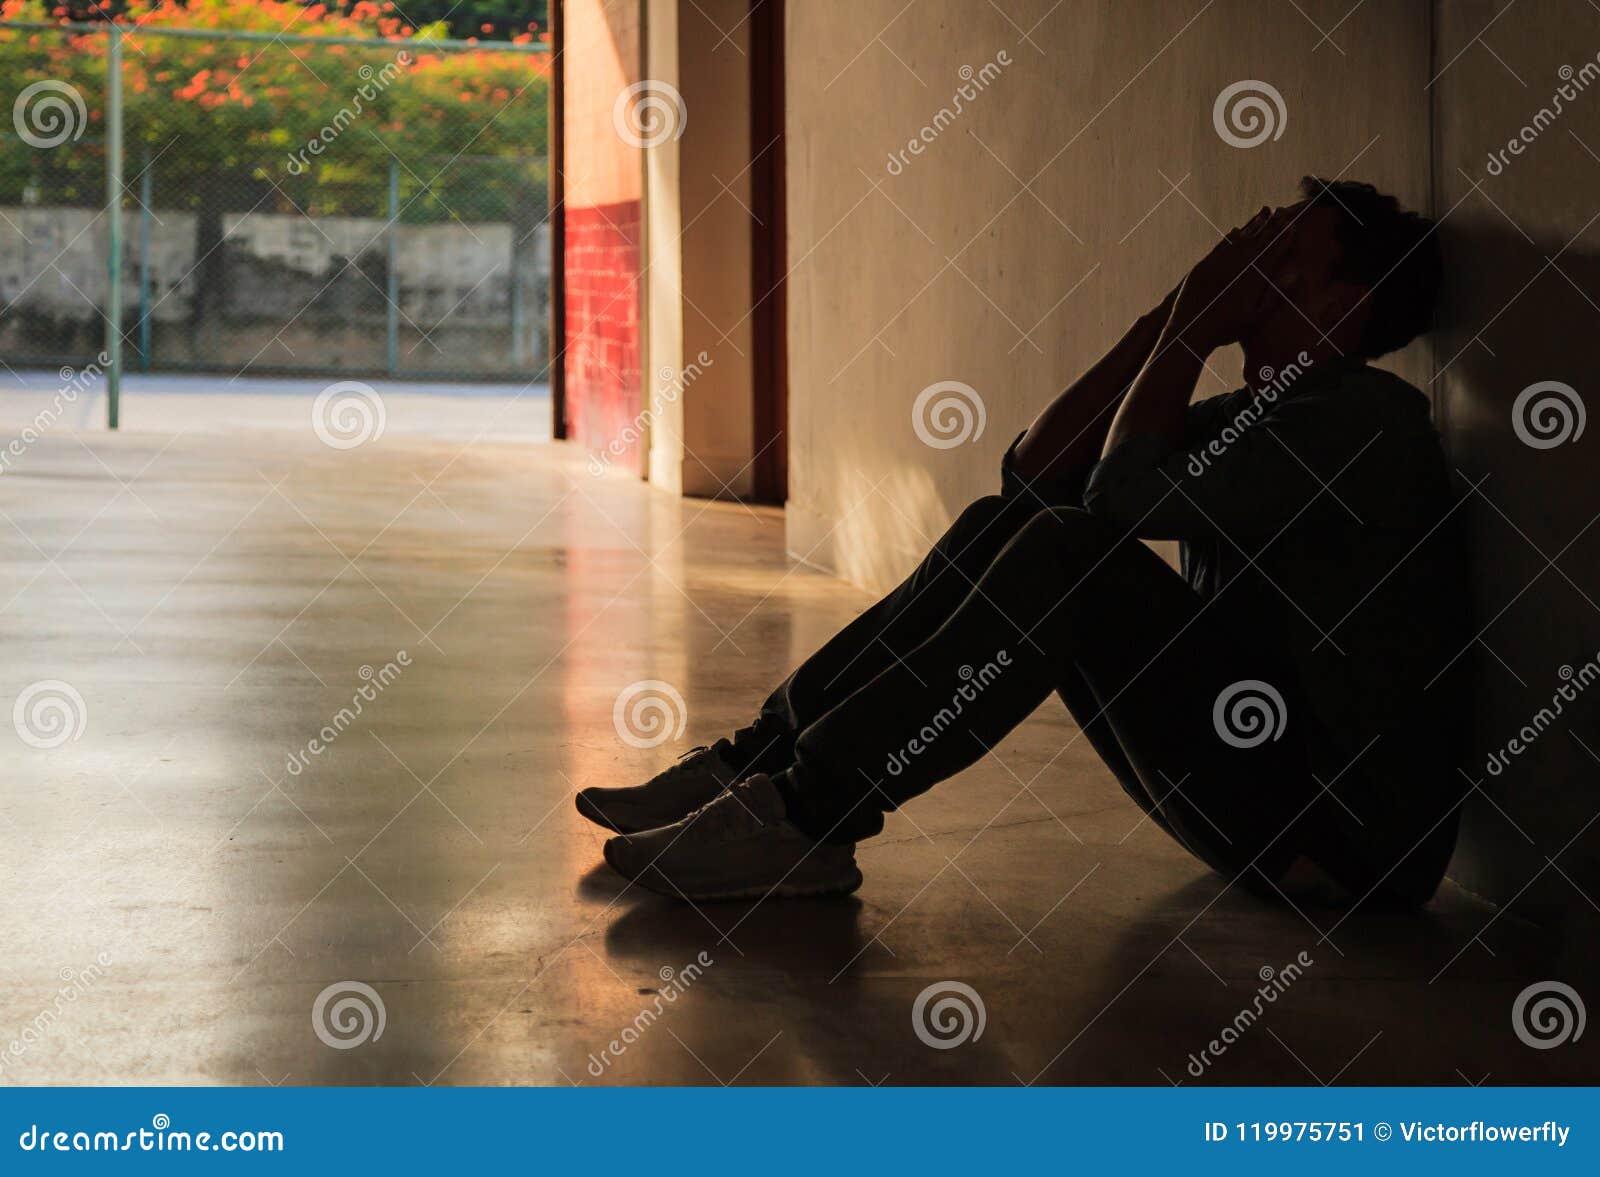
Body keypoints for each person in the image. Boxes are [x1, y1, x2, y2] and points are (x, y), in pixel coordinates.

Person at [578, 177, 1468, 908]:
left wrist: (1196, 324)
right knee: (1008, 526)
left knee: (1069, 551)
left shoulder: (1363, 424)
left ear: (1342, 311)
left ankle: (808, 818)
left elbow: (1113, 500)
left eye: (1282, 265)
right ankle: (759, 765)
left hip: (1345, 845)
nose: (1249, 273)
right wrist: (1173, 314)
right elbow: (1037, 472)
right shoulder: (1265, 417)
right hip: (1262, 795)